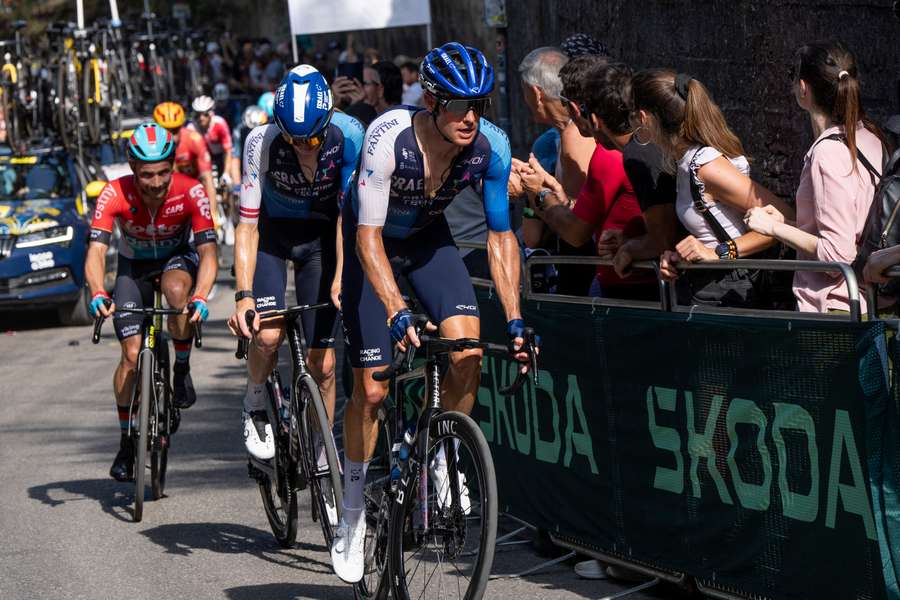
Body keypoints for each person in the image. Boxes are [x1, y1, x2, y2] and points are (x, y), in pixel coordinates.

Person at [331, 42, 532, 583]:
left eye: (479, 105)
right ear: (433, 101)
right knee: (371, 390)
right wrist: (396, 309)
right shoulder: (388, 137)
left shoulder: (489, 146)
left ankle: (442, 452)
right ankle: (350, 513)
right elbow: (367, 239)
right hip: (372, 247)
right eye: (458, 105)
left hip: (426, 242)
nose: (470, 117)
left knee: (468, 349)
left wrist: (514, 319)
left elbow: (501, 237)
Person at [226, 66, 364, 496]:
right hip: (273, 237)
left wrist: (342, 275)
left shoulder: (349, 136)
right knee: (266, 336)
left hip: (324, 240)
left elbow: (349, 217)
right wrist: (243, 295)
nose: (304, 148)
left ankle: (322, 447)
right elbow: (246, 226)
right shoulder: (260, 141)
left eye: (313, 138)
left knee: (323, 364)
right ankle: (254, 402)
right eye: (293, 138)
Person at [84, 123, 217, 481]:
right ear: (132, 168)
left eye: (163, 172)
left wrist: (201, 295)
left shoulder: (192, 192)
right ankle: (127, 442)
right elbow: (96, 252)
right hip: (134, 267)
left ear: (173, 165)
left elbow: (208, 252)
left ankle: (181, 368)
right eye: (147, 175)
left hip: (176, 260)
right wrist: (98, 291)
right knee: (130, 355)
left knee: (177, 294)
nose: (156, 183)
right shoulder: (114, 194)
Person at [630, 70, 793, 307]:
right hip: (708, 286)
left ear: (644, 118)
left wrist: (718, 253)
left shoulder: (705, 167)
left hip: (731, 292)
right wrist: (679, 257)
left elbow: (783, 219)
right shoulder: (684, 161)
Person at [744, 41, 885, 313]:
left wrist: (773, 228)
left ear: (803, 89)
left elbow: (837, 256)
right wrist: (790, 223)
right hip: (871, 303)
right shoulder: (871, 137)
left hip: (836, 308)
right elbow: (852, 228)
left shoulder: (827, 153)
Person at [515, 57, 656, 299]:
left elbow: (576, 232)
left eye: (567, 104)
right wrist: (558, 195)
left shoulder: (610, 155)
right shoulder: (642, 139)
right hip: (633, 277)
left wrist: (538, 193)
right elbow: (589, 213)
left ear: (583, 112)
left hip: (629, 285)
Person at [516, 46, 597, 295]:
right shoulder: (567, 133)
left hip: (591, 272)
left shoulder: (575, 136)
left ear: (536, 93)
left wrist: (534, 192)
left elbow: (575, 227)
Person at [153, 102, 220, 232]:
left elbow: (207, 178)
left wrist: (212, 213)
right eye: (167, 131)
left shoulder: (194, 139)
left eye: (176, 130)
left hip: (196, 186)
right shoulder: (151, 145)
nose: (173, 137)